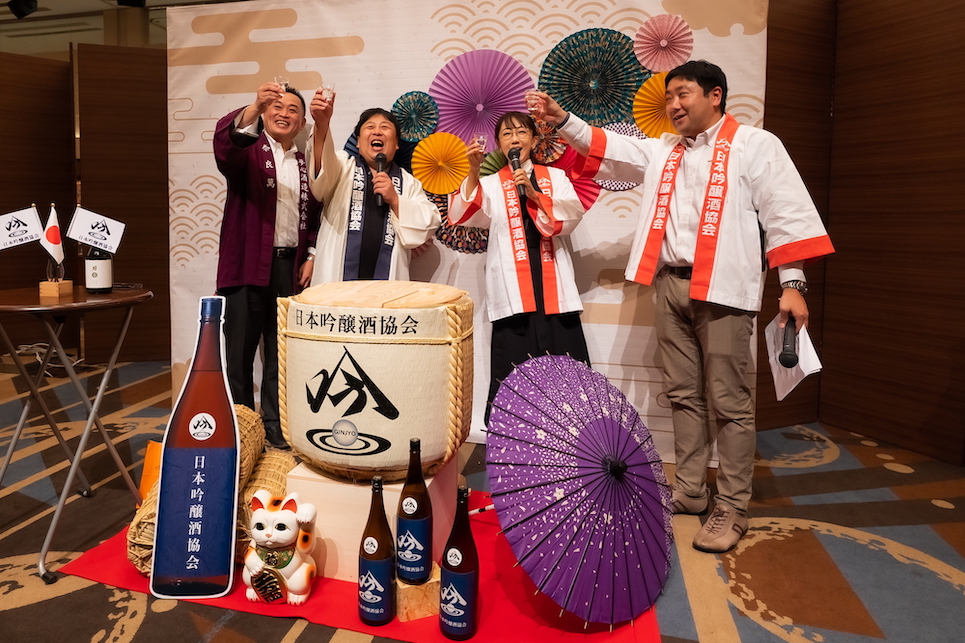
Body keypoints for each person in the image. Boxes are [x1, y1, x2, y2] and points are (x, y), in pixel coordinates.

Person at [533, 60, 835, 553]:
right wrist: (563, 119)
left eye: (683, 94)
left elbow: (786, 213)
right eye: (669, 96)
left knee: (730, 401)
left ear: (715, 95)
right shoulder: (663, 150)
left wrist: (793, 283)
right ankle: (692, 490)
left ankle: (732, 505)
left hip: (724, 288)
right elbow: (609, 146)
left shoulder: (756, 145)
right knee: (682, 394)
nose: (673, 105)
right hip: (669, 286)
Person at [449, 111, 590, 425]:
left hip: (553, 287)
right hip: (513, 291)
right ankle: (513, 435)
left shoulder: (555, 178)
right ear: (499, 145)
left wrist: (535, 195)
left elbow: (571, 216)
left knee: (566, 373)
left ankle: (573, 435)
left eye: (521, 132)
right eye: (506, 134)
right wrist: (473, 171)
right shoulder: (490, 184)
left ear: (535, 139)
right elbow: (462, 214)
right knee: (515, 372)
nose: (514, 139)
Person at [213, 82, 322, 449]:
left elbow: (315, 216)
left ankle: (274, 423)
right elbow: (226, 148)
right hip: (246, 266)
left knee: (280, 353)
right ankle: (241, 426)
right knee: (239, 353)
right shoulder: (248, 150)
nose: (284, 114)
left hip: (288, 268)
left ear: (302, 122)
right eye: (277, 107)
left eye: (293, 110)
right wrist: (253, 107)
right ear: (264, 113)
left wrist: (311, 256)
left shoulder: (305, 164)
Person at [306, 90, 440, 283]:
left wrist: (395, 200)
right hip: (337, 281)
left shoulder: (408, 182)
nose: (377, 131)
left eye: (385, 127)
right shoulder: (343, 166)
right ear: (358, 142)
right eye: (370, 127)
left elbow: (429, 221)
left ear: (396, 144)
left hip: (387, 285)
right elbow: (322, 169)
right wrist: (322, 124)